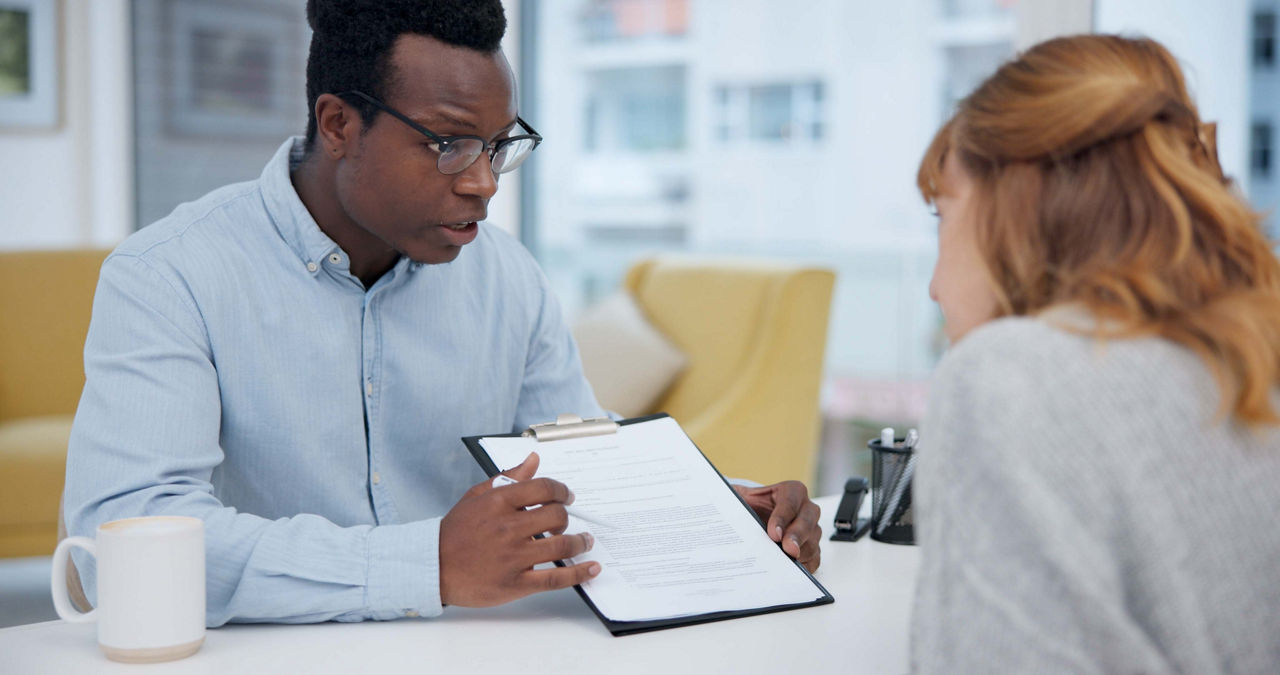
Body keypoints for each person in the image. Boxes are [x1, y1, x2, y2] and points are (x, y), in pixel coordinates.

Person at [63, 0, 821, 626]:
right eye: (451, 145)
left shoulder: (508, 278)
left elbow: (582, 461)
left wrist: (725, 511)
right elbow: (121, 543)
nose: (485, 184)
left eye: (499, 146)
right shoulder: (168, 276)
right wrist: (424, 564)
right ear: (337, 125)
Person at [911, 34, 1280, 673]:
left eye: (944, 216)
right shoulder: (1244, 360)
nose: (934, 284)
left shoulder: (1012, 377)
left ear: (1016, 204)